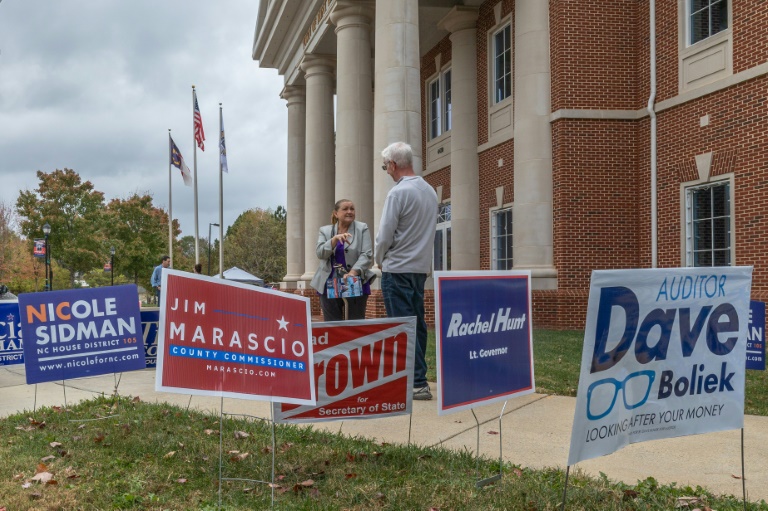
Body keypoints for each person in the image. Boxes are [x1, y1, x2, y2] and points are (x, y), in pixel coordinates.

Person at [375, 142, 438, 400]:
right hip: (419, 270)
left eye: (385, 166)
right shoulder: (430, 191)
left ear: (393, 164)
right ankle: (418, 378)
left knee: (400, 327)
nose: (386, 172)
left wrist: (379, 260)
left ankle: (413, 382)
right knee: (417, 324)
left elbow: (384, 236)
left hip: (397, 268)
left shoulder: (397, 193)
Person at [310, 199, 373, 321]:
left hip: (353, 281)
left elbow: (367, 254)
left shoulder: (362, 228)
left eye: (352, 209)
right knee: (333, 325)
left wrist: (353, 273)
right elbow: (320, 253)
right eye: (345, 209)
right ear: (336, 213)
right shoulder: (325, 231)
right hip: (329, 283)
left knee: (355, 324)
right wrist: (334, 240)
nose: (349, 212)